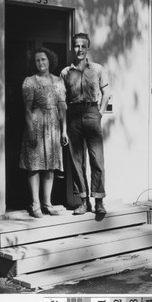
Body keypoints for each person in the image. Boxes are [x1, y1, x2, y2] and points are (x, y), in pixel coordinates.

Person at [60, 33, 111, 215]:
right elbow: (62, 101)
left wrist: (100, 113)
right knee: (76, 160)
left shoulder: (97, 69)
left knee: (96, 158)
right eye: (76, 46)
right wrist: (64, 128)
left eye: (83, 46)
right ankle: (83, 201)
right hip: (73, 114)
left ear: (88, 48)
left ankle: (98, 201)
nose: (79, 49)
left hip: (91, 113)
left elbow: (106, 93)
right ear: (73, 48)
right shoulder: (66, 72)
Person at [19, 47, 68, 218]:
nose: (40, 63)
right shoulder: (30, 81)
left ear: (50, 61)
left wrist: (64, 131)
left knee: (50, 166)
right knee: (35, 165)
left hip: (54, 126)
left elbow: (62, 107)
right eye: (37, 60)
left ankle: (47, 202)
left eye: (43, 59)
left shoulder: (58, 81)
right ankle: (35, 204)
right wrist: (31, 130)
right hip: (36, 124)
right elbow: (26, 109)